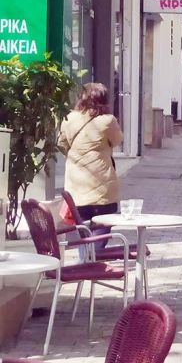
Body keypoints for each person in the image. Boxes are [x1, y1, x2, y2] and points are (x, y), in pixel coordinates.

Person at [58, 83, 123, 246]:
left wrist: (77, 156)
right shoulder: (108, 121)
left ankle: (86, 262)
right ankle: (91, 265)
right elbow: (117, 140)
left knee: (84, 232)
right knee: (101, 229)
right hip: (102, 186)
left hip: (76, 187)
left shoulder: (69, 118)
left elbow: (61, 144)